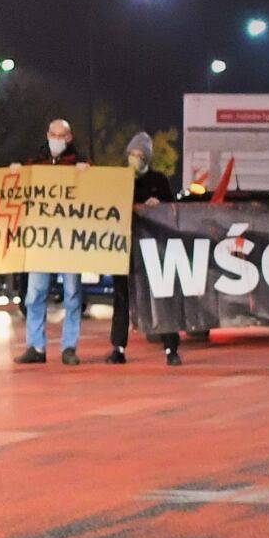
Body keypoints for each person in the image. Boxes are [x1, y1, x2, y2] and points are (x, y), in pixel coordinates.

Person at [15, 118, 88, 365]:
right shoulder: (35, 163)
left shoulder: (81, 163)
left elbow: (95, 194)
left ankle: (69, 347)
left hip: (69, 241)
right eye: (52, 134)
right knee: (35, 293)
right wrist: (16, 174)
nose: (56, 139)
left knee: (72, 294)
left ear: (69, 138)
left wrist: (87, 176)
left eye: (61, 135)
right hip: (42, 241)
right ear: (47, 135)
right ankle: (36, 346)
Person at [108, 132, 183, 364]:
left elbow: (173, 211)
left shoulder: (158, 181)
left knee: (161, 295)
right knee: (122, 298)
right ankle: (118, 348)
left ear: (147, 159)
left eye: (140, 155)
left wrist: (158, 207)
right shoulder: (118, 180)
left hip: (153, 249)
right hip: (124, 248)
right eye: (132, 154)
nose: (136, 159)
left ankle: (171, 349)